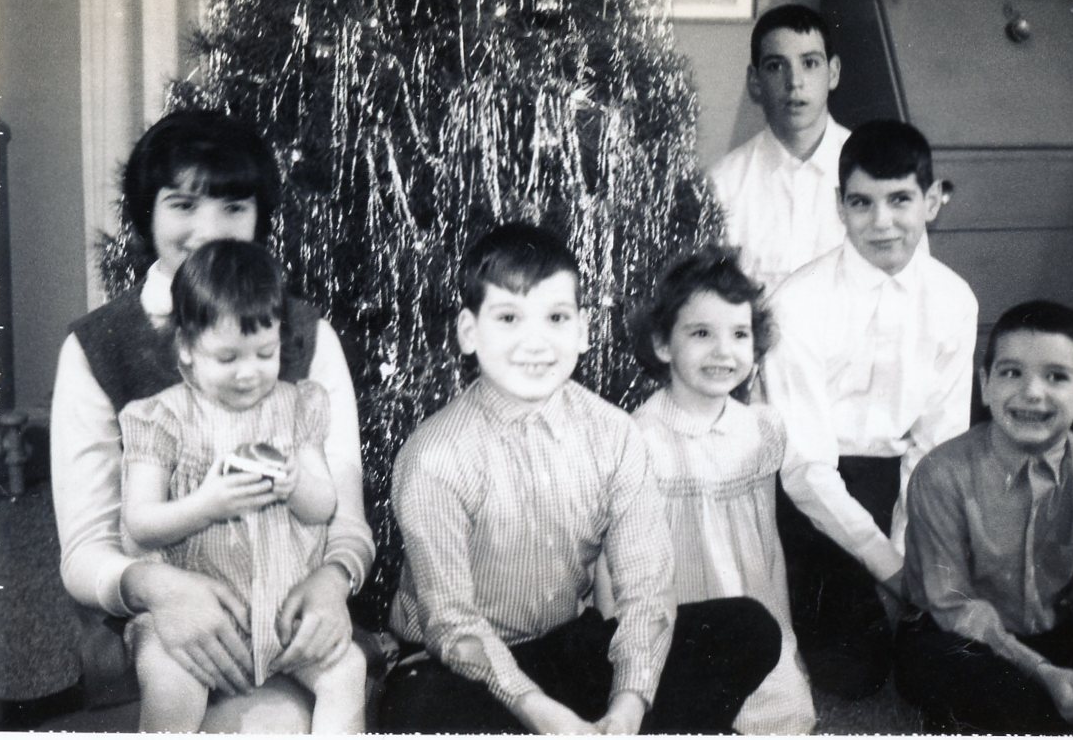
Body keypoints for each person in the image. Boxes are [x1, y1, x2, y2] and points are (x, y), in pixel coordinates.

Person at [378, 222, 781, 735]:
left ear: (583, 330)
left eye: (556, 318)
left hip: (564, 647)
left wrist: (629, 704)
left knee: (748, 628)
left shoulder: (614, 433)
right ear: (469, 332)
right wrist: (544, 715)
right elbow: (452, 624)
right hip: (459, 664)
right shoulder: (434, 455)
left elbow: (646, 590)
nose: (535, 342)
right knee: (418, 710)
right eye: (509, 318)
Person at [50, 110, 374, 731]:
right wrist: (161, 591)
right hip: (155, 622)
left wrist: (333, 581)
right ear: (147, 213)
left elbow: (341, 514)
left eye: (233, 206)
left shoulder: (306, 335)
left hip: (288, 607)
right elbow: (88, 549)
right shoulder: (98, 345)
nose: (208, 228)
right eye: (183, 204)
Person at [763, 120, 978, 699]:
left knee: (947, 651)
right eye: (862, 203)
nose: (882, 223)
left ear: (932, 202)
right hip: (809, 488)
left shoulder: (954, 300)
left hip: (901, 479)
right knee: (852, 673)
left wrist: (910, 551)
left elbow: (936, 449)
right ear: (840, 205)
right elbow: (805, 469)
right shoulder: (797, 302)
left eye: (900, 200)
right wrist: (889, 567)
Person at [119, 240, 365, 733]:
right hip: (193, 618)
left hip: (284, 611)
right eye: (227, 357)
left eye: (265, 353)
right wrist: (205, 505)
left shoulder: (297, 408)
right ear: (186, 348)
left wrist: (296, 483)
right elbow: (138, 525)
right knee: (170, 682)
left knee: (348, 670)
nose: (249, 372)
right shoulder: (162, 418)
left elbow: (323, 507)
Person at [628, 245, 816, 734]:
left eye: (739, 334)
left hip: (753, 614)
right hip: (676, 624)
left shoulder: (761, 430)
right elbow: (619, 565)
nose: (723, 351)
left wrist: (787, 640)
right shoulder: (639, 440)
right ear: (663, 344)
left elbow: (767, 547)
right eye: (701, 333)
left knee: (784, 713)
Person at [895, 300, 1073, 734]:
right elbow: (953, 605)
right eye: (1011, 373)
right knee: (1010, 703)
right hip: (957, 633)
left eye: (1056, 377)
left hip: (1051, 630)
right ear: (985, 385)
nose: (1032, 392)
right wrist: (1041, 672)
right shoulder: (941, 474)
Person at [709, 3, 849, 295]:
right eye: (776, 66)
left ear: (833, 72)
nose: (794, 82)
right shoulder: (722, 186)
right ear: (755, 81)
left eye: (810, 63)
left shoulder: (877, 172)